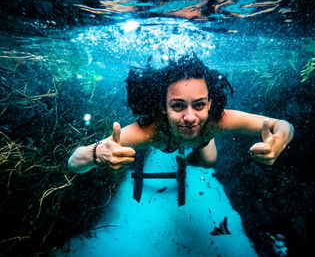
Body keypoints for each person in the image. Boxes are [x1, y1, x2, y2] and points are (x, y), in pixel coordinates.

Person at [68, 55, 294, 174]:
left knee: (209, 161)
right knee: (209, 158)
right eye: (177, 106)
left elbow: (282, 125)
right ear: (163, 107)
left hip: (202, 140)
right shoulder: (149, 132)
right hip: (169, 139)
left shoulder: (219, 120)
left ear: (210, 104)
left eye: (199, 105)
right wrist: (98, 154)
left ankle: (186, 161)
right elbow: (74, 162)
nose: (189, 117)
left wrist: (280, 140)